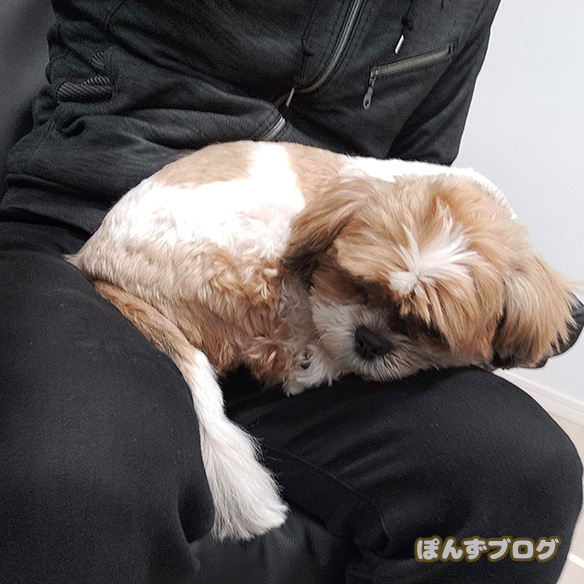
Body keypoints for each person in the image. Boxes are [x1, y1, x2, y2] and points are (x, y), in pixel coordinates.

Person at [1, 1, 582, 583]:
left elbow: (419, 173)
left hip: (326, 287)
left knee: (527, 481)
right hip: (92, 230)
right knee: (76, 476)